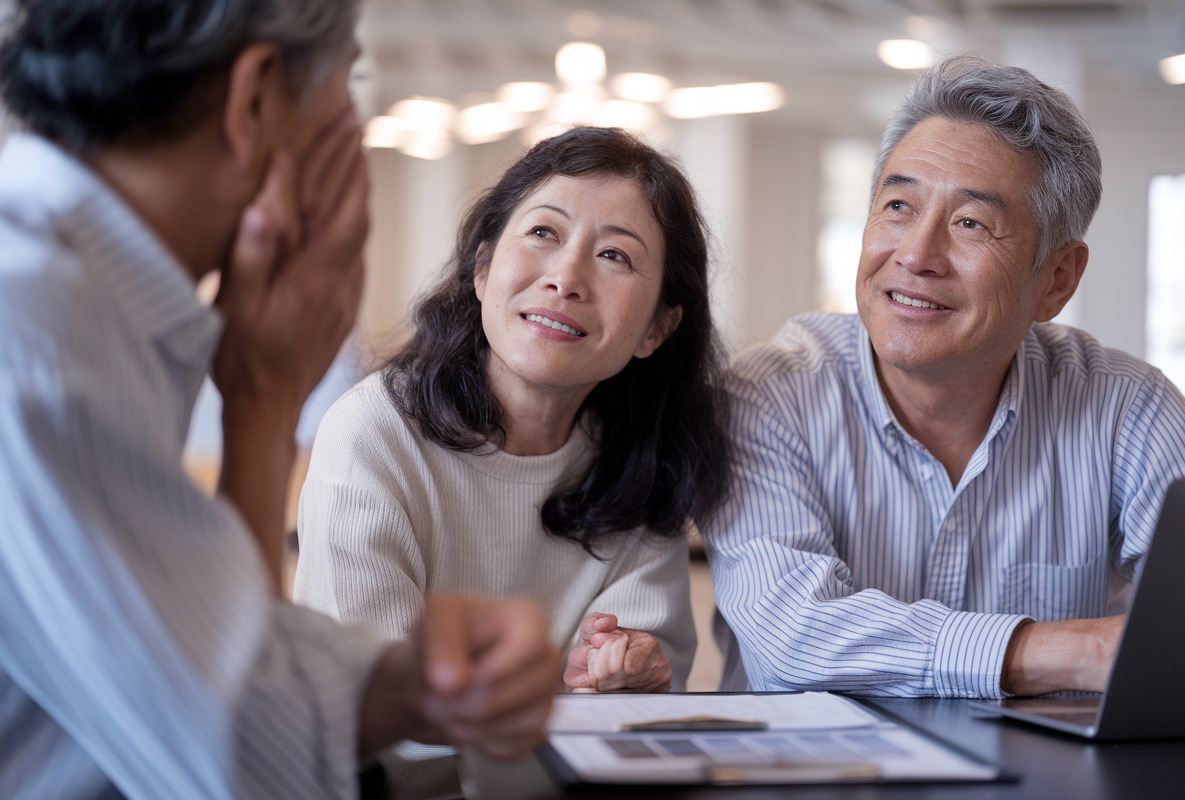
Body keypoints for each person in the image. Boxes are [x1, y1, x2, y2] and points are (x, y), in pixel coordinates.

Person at [0, 1, 560, 798]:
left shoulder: (71, 299)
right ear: (255, 98)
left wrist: (406, 686)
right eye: (346, 92)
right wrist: (263, 406)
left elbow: (190, 659)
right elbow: (254, 769)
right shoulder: (42, 337)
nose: (355, 134)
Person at [704, 54, 1185, 699]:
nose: (915, 255)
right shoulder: (768, 394)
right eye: (898, 205)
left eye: (970, 223)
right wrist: (1082, 649)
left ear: (1057, 280)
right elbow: (791, 640)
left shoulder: (1127, 408)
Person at [292, 125, 731, 795]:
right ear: (482, 268)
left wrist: (628, 674)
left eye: (615, 255)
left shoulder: (644, 461)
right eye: (543, 233)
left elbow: (644, 675)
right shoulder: (373, 432)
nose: (566, 279)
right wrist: (561, 699)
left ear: (656, 328)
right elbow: (379, 696)